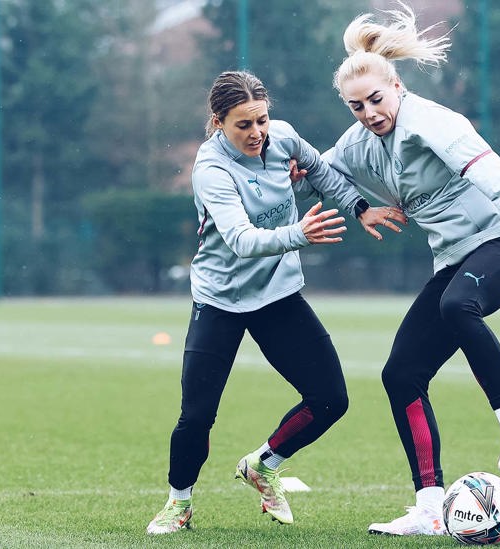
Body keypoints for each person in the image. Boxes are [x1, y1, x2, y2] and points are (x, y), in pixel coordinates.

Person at [317, 5, 500, 536]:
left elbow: (496, 176)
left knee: (458, 306)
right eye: (355, 106)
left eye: (376, 99)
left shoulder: (432, 121)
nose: (368, 112)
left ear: (396, 85)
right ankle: (430, 509)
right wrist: (282, 161)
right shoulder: (360, 141)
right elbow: (319, 171)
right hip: (456, 259)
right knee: (400, 376)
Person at [145, 71, 400, 535]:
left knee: (331, 399)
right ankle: (178, 502)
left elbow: (322, 173)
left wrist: (361, 208)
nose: (257, 133)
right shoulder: (211, 170)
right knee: (198, 414)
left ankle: (263, 464)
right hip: (219, 300)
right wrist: (298, 234)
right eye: (243, 124)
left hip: (278, 295)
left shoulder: (282, 139)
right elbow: (242, 240)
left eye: (262, 119)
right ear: (218, 121)